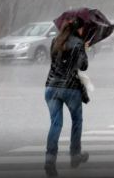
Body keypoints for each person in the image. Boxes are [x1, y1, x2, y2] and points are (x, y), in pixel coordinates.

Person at [44, 17, 89, 177]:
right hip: (70, 88)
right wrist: (84, 49)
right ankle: (75, 155)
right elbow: (83, 66)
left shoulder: (56, 41)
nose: (84, 31)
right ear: (79, 29)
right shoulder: (78, 43)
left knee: (55, 124)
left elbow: (56, 62)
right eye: (83, 29)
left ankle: (49, 159)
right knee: (77, 121)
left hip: (51, 86)